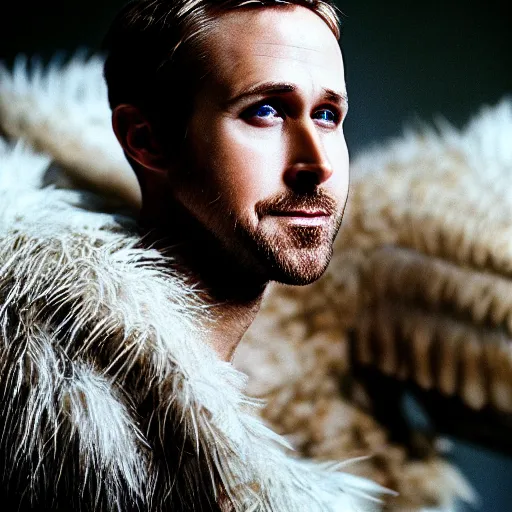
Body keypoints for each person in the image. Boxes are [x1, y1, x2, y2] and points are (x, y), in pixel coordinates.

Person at [0, 0, 386, 510]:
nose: (317, 164)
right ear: (147, 140)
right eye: (265, 111)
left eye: (327, 115)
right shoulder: (51, 435)